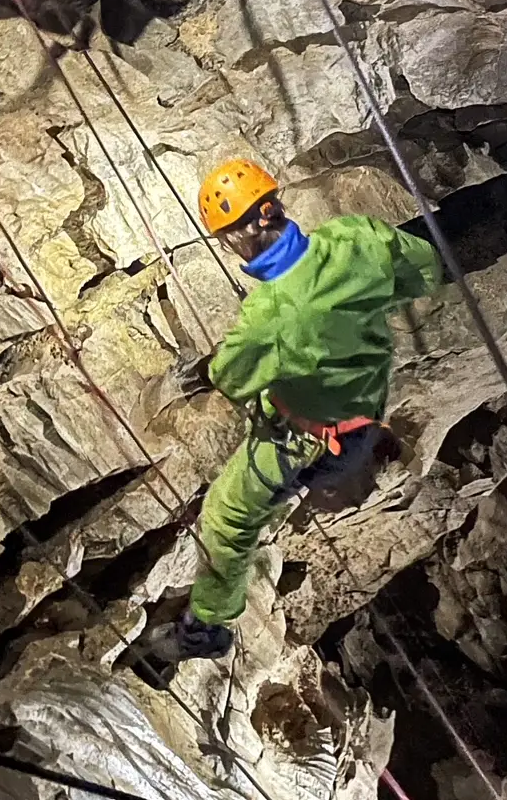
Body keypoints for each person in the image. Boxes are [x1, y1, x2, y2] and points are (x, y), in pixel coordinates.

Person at [156, 158, 443, 669]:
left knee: (225, 519)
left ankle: (206, 629)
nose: (230, 246)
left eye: (229, 236)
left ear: (256, 223)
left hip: (309, 438)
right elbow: (423, 268)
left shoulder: (268, 317)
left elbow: (231, 377)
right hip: (366, 403)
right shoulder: (356, 239)